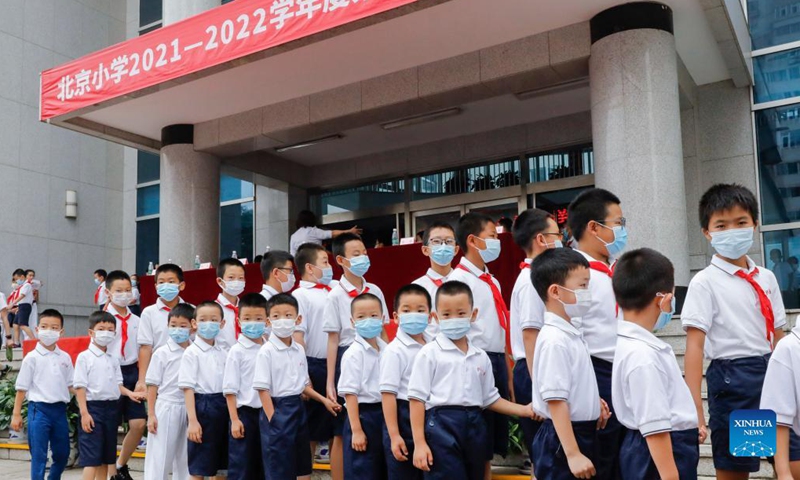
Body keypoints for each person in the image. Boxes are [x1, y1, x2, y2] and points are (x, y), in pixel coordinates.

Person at [682, 184, 800, 479]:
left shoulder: (767, 277)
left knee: (791, 461)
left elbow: (778, 333)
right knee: (738, 469)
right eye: (721, 225)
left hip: (774, 371)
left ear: (755, 225)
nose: (732, 230)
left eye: (741, 222)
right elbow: (695, 346)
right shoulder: (705, 282)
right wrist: (696, 408)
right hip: (735, 380)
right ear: (707, 232)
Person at [408, 281, 535, 480]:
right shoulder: (429, 353)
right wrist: (420, 443)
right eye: (446, 314)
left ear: (473, 314)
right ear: (435, 317)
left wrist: (525, 410)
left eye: (461, 313)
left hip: (475, 424)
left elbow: (490, 399)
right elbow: (416, 400)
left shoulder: (480, 356)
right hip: (442, 424)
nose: (454, 319)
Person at [612, 249, 699, 479]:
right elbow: (655, 427)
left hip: (657, 446)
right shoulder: (643, 356)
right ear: (663, 299)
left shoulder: (634, 345)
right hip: (659, 454)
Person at [528, 248, 610, 480]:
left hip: (579, 433)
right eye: (582, 286)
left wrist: (593, 403)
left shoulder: (570, 332)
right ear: (555, 291)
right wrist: (572, 454)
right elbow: (556, 400)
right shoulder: (555, 339)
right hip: (563, 440)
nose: (588, 292)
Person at [566, 187, 628, 479]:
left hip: (624, 371)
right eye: (618, 223)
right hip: (596, 372)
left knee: (624, 458)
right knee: (601, 458)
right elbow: (573, 335)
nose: (623, 230)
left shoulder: (617, 272)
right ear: (594, 227)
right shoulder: (572, 276)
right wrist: (590, 391)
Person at [446, 212, 511, 474]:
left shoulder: (491, 279)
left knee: (490, 441)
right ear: (473, 240)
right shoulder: (458, 281)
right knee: (476, 439)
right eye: (493, 236)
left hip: (496, 358)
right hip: (474, 361)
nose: (498, 241)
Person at [324, 232, 389, 480]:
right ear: (341, 260)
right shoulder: (335, 294)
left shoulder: (375, 290)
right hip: (347, 355)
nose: (363, 257)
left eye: (364, 252)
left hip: (377, 352)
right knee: (343, 430)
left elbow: (383, 328)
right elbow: (332, 338)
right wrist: (331, 381)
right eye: (356, 254)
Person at [254, 294, 340, 480]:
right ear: (268, 321)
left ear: (298, 319)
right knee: (279, 468)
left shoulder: (299, 349)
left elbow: (302, 386)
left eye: (288, 315)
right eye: (276, 316)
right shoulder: (266, 352)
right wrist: (273, 420)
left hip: (298, 409)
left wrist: (324, 400)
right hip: (278, 409)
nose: (282, 320)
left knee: (303, 468)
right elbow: (263, 390)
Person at [510, 209, 560, 467]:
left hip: (538, 368)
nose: (561, 240)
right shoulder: (532, 280)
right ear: (542, 239)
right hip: (534, 369)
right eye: (557, 235)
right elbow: (531, 335)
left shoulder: (539, 276)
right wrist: (540, 390)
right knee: (545, 453)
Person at [75, 311, 145, 480]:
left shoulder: (113, 358)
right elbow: (80, 387)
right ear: (91, 332)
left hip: (111, 410)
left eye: (110, 329)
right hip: (93, 409)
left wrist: (131, 394)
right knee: (92, 459)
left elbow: (118, 385)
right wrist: (84, 413)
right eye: (101, 329)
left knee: (106, 458)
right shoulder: (84, 357)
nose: (106, 333)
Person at [11, 309, 73, 480]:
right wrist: (16, 414)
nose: (49, 331)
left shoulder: (65, 357)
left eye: (54, 327)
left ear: (61, 331)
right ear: (37, 329)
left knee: (62, 454)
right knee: (39, 456)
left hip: (59, 411)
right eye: (44, 326)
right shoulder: (31, 358)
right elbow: (21, 388)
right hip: (39, 411)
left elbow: (72, 385)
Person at [380, 284, 432, 480]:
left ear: (429, 315)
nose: (414, 315)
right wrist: (394, 435)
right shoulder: (394, 351)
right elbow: (388, 395)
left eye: (420, 310)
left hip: (429, 415)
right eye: (407, 310)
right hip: (402, 416)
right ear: (395, 316)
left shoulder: (434, 345)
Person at [292, 243, 337, 461]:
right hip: (315, 365)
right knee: (310, 430)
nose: (330, 267)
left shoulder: (335, 289)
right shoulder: (301, 295)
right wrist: (304, 374)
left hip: (337, 364)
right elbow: (298, 336)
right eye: (325, 262)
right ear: (310, 268)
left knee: (336, 428)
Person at [338, 293, 389, 479]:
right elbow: (350, 395)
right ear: (353, 322)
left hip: (385, 413)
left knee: (382, 469)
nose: (368, 320)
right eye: (361, 317)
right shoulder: (353, 354)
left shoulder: (387, 350)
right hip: (363, 415)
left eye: (374, 315)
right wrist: (356, 430)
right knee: (363, 470)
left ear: (383, 318)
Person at [144, 303, 195, 480]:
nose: (177, 329)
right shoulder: (162, 353)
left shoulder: (195, 351)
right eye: (173, 325)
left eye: (182, 326)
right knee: (160, 455)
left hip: (189, 408)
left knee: (186, 458)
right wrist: (151, 414)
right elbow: (152, 385)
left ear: (192, 326)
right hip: (167, 406)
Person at [179, 301, 228, 480]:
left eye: (214, 319)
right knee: (199, 465)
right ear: (194, 323)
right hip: (202, 407)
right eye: (203, 319)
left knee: (222, 465)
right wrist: (192, 420)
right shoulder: (191, 353)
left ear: (222, 323)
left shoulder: (225, 351)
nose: (209, 323)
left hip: (223, 406)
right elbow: (188, 388)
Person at [103, 270, 144, 480]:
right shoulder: (103, 319)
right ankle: (112, 474)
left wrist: (141, 377)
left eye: (127, 290)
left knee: (138, 424)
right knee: (110, 426)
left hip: (131, 371)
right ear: (108, 292)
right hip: (109, 372)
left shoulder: (137, 319)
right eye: (119, 290)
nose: (124, 294)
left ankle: (121, 464)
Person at [223, 293, 269, 480]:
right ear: (239, 320)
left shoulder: (269, 347)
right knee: (242, 466)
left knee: (265, 464)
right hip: (245, 414)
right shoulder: (237, 351)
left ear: (267, 321)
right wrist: (234, 419)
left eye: (259, 319)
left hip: (267, 412)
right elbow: (230, 389)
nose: (253, 323)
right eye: (247, 319)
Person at [137, 264, 187, 393]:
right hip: (160, 371)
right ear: (156, 287)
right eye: (161, 282)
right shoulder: (149, 312)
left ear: (181, 285)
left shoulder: (192, 310)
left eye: (171, 282)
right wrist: (142, 380)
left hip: (186, 368)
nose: (166, 285)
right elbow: (146, 347)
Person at [761, 317, 800, 479]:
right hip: (736, 376)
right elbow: (777, 417)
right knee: (737, 459)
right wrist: (784, 473)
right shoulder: (789, 348)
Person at [412, 222, 459, 336]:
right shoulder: (417, 288)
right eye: (436, 242)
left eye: (449, 242)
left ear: (456, 250)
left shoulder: (465, 281)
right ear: (425, 250)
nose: (443, 246)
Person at [290, 210, 361, 255]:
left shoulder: (293, 236)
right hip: (315, 260)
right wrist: (349, 231)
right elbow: (332, 234)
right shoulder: (312, 231)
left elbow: (293, 254)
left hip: (301, 265)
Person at [215, 258, 247, 351]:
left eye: (241, 278)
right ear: (220, 281)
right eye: (231, 278)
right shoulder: (213, 309)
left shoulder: (246, 308)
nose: (236, 281)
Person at [7, 268, 34, 347]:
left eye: (17, 279)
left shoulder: (27, 285)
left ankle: (34, 340)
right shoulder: (22, 286)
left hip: (25, 306)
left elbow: (22, 296)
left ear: (22, 277)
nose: (16, 281)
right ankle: (16, 342)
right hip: (21, 306)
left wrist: (13, 303)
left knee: (23, 325)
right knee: (15, 324)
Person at [25, 270, 40, 334]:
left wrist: (36, 293)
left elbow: (36, 300)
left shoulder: (34, 286)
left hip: (32, 305)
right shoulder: (24, 285)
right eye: (30, 275)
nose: (31, 277)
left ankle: (32, 339)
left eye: (33, 276)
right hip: (24, 305)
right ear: (25, 276)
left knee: (33, 323)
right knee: (24, 324)